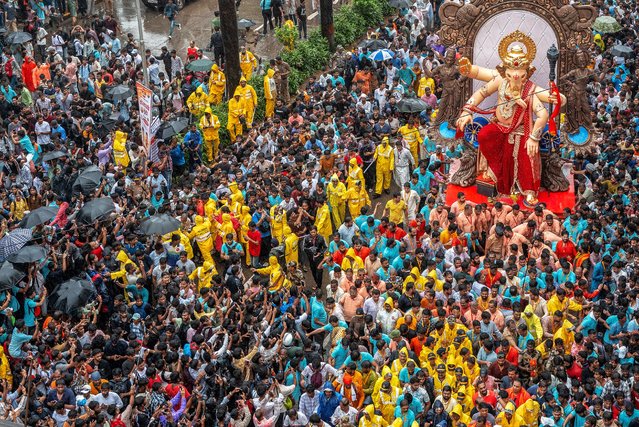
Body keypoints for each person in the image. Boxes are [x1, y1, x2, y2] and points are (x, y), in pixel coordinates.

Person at [456, 31, 566, 205]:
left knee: (527, 152)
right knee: (484, 135)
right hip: (500, 126)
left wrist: (534, 137)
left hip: (523, 131)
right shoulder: (500, 80)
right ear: (504, 72)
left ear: (527, 74)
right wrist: (466, 111)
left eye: (521, 76)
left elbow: (544, 112)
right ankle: (492, 172)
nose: (516, 81)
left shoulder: (530, 89)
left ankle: (528, 190)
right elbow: (481, 91)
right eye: (511, 75)